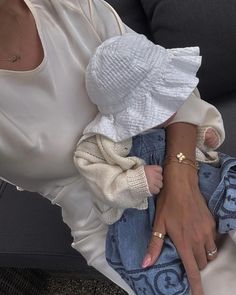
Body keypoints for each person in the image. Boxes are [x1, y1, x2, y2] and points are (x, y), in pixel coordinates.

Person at [0, 1, 232, 295]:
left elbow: (167, 88)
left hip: (188, 164)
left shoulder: (72, 9)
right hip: (115, 227)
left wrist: (182, 183)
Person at [74, 33, 234, 295]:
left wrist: (207, 133)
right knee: (148, 262)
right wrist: (135, 182)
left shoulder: (178, 110)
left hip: (200, 177)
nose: (174, 107)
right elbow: (99, 181)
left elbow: (202, 113)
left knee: (229, 186)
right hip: (142, 214)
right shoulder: (102, 144)